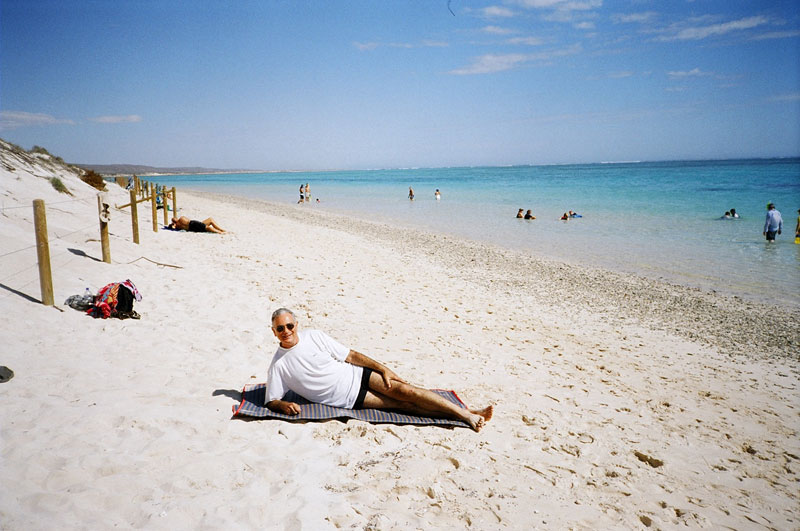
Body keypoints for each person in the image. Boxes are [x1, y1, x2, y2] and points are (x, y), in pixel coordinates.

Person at [265, 308, 494, 432]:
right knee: (406, 406)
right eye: (280, 328)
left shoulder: (314, 336)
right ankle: (465, 414)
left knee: (408, 391)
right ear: (274, 332)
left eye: (290, 325)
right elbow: (271, 400)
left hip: (358, 374)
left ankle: (466, 413)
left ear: (297, 325)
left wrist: (382, 368)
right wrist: (282, 405)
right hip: (351, 397)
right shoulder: (279, 364)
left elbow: (351, 356)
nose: (286, 330)